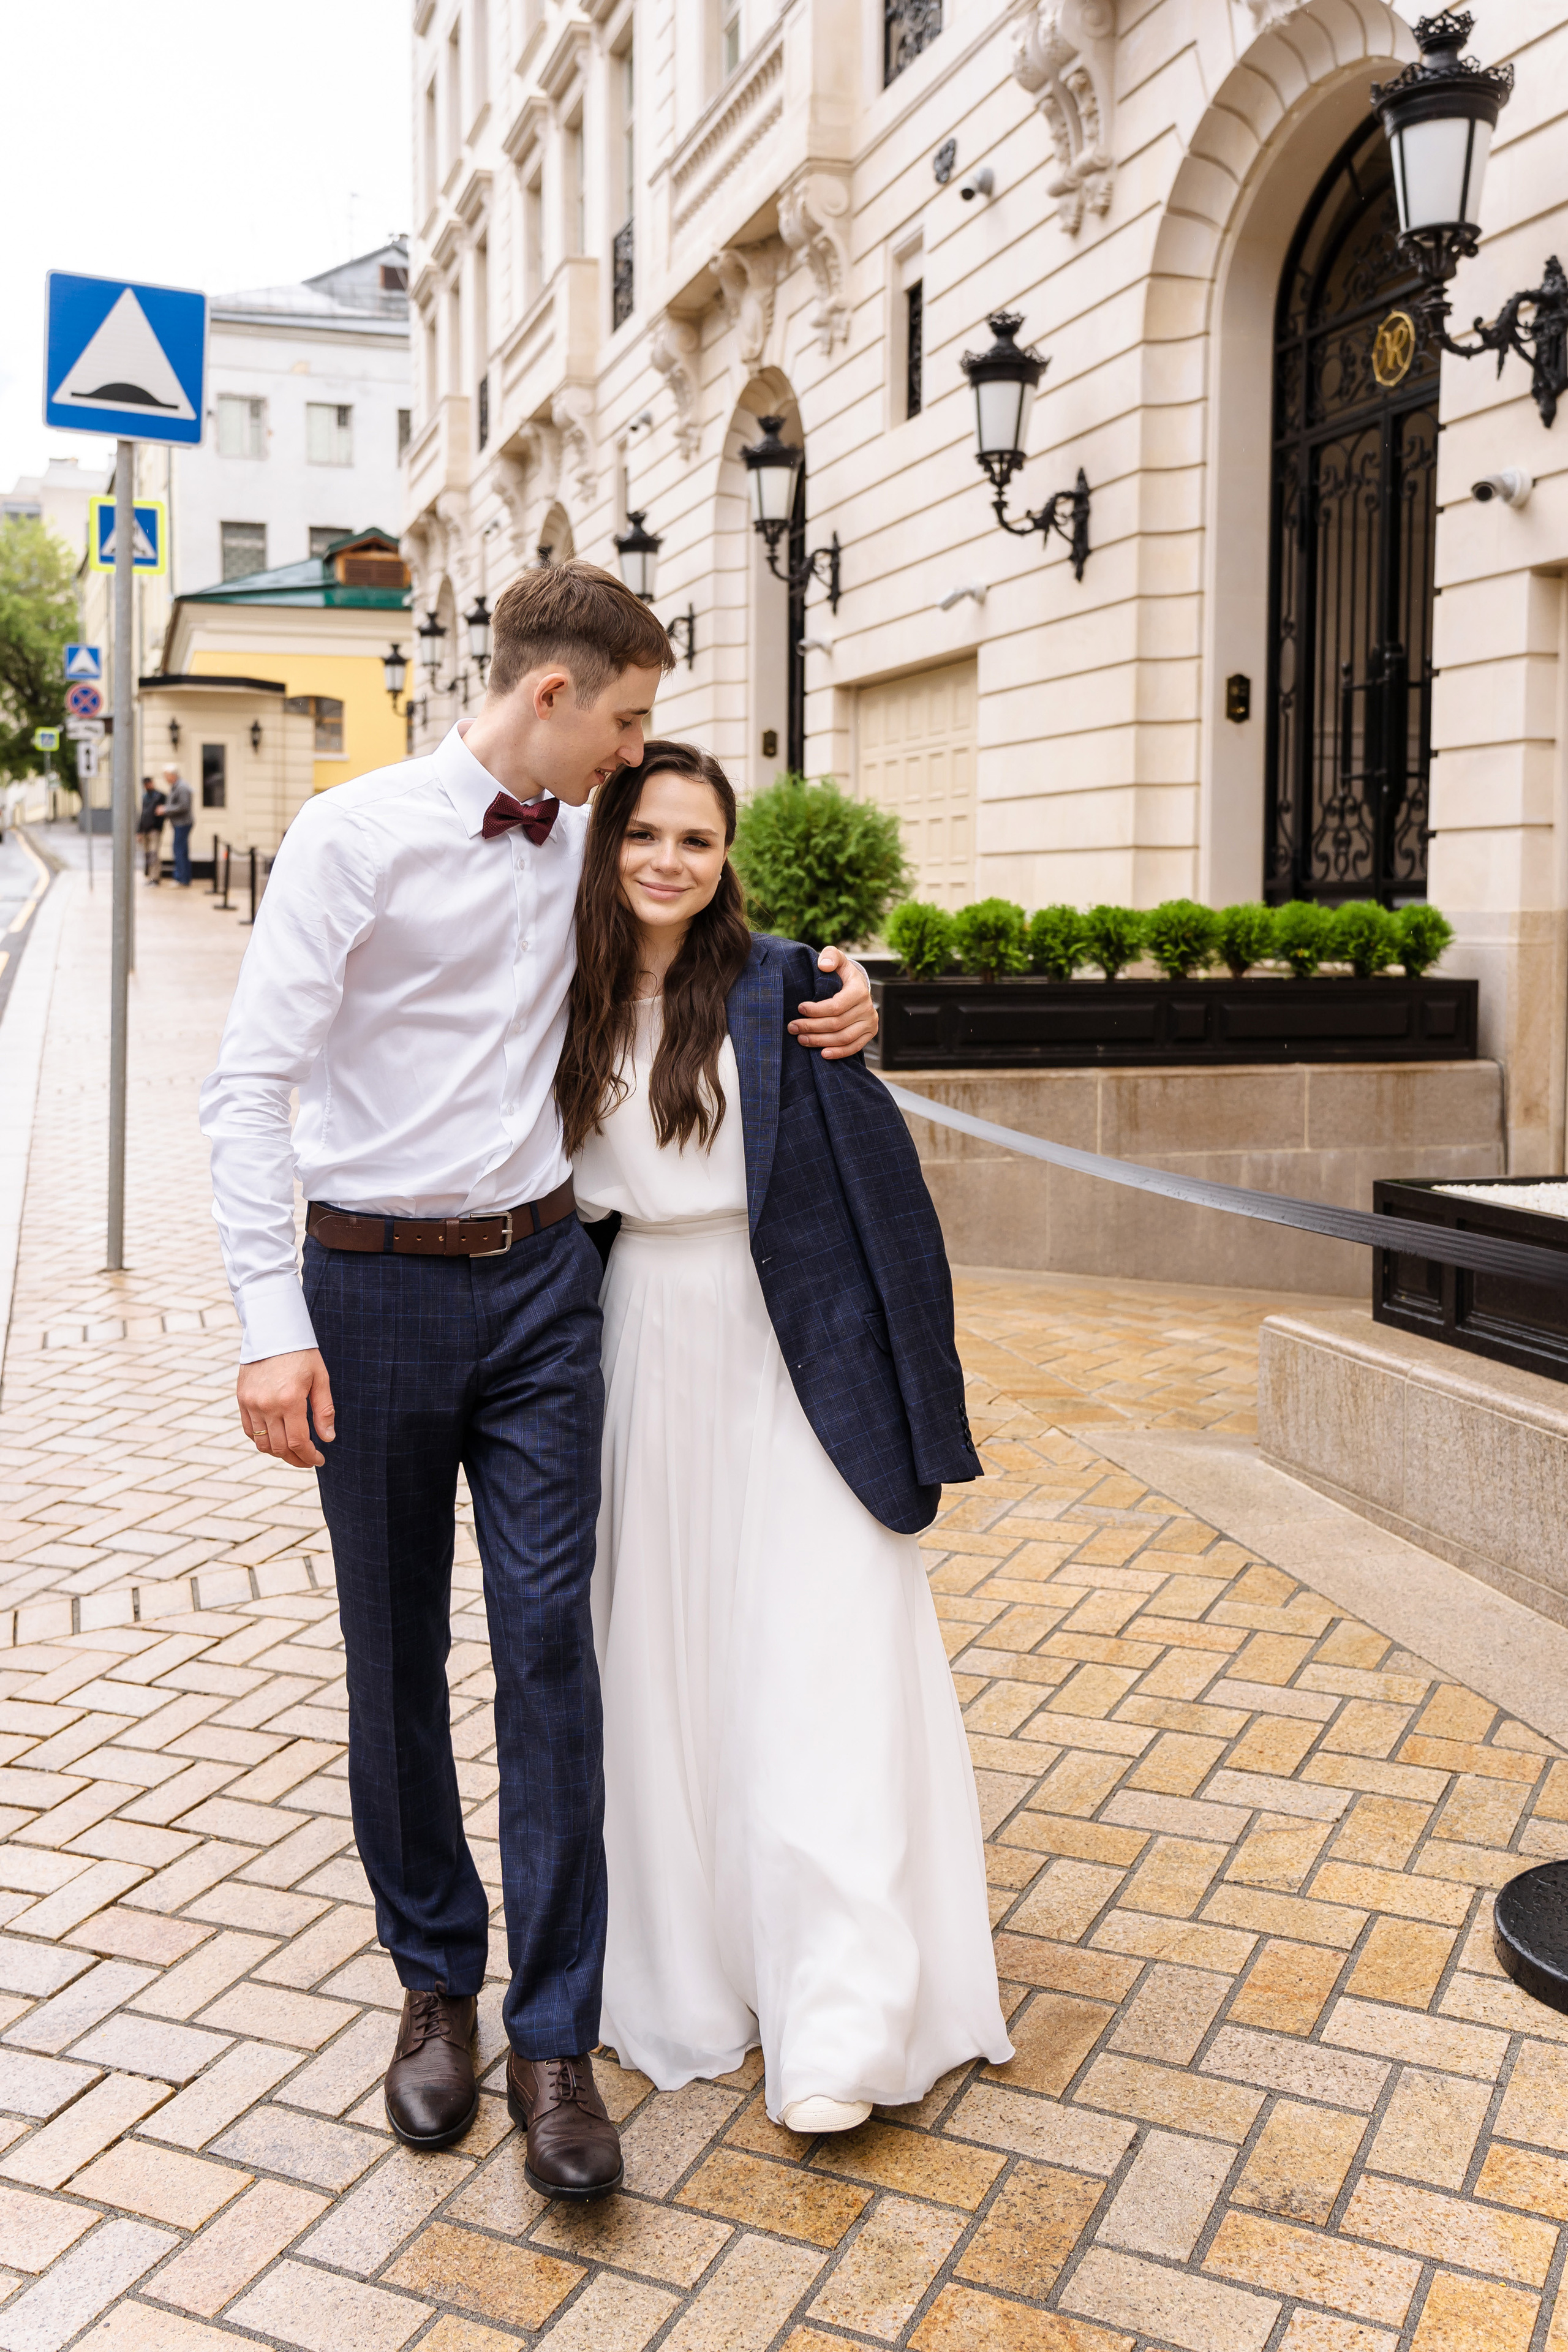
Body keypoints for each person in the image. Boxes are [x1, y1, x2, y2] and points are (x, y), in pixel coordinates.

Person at [198, 564, 877, 2201]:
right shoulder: (354, 839)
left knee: (550, 1656)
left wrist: (854, 983)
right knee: (393, 1662)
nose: (639, 760)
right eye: (630, 719)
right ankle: (436, 1986)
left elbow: (702, 928)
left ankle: (554, 2032)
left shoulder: (593, 835)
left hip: (547, 1291)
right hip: (364, 1294)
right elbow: (249, 1086)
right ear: (558, 698)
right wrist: (266, 1317)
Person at [560, 741, 1011, 2132]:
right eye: (646, 834)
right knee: (666, 1658)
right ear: (606, 842)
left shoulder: (787, 982)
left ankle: (839, 2009)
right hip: (641, 1341)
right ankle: (693, 1962)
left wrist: (917, 1388)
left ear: (725, 856)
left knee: (818, 1649)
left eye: (697, 840)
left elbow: (886, 1194)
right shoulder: (553, 990)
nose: (669, 863)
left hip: (785, 1345)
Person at [161, 764, 194, 885]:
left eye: (167, 776)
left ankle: (181, 878)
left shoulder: (181, 787)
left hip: (183, 823)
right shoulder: (177, 787)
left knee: (179, 850)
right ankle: (183, 877)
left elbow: (183, 806)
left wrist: (166, 810)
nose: (166, 779)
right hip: (180, 823)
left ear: (173, 776)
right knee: (181, 850)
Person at [137, 777, 165, 880]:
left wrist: (158, 827)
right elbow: (143, 814)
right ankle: (150, 876)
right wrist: (139, 831)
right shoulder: (145, 797)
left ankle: (155, 877)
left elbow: (162, 813)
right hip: (145, 829)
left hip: (154, 829)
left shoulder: (160, 796)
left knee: (154, 854)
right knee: (148, 854)